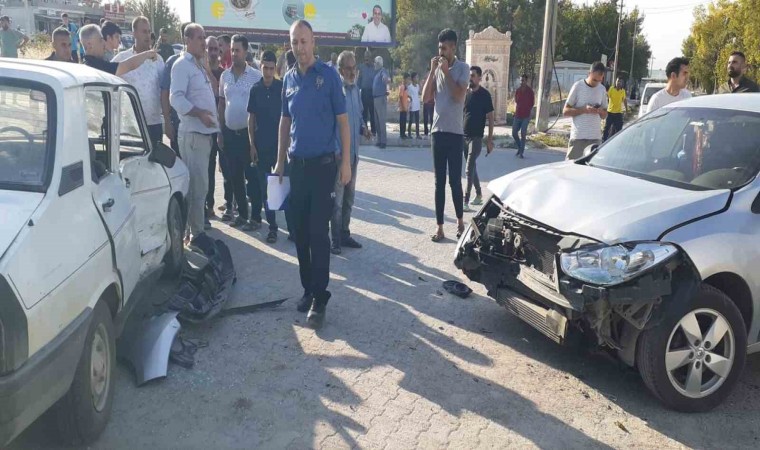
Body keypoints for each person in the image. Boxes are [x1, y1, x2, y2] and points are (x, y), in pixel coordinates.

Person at [274, 20, 351, 328]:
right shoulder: (288, 78)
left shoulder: (329, 76)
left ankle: (320, 297)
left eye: (304, 41)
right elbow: (284, 121)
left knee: (319, 233)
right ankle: (308, 289)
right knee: (300, 233)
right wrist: (279, 162)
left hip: (323, 167)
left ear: (313, 42)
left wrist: (346, 163)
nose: (300, 47)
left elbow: (343, 122)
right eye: (295, 42)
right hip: (297, 167)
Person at [170, 23, 219, 241]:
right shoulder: (182, 65)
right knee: (197, 188)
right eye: (200, 38)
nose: (203, 43)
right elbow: (176, 98)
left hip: (204, 136)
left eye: (204, 37)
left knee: (201, 187)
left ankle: (194, 232)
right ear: (187, 40)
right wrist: (199, 113)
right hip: (192, 136)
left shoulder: (198, 66)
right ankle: (196, 235)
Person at [422, 28, 469, 243]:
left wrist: (447, 72)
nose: (440, 52)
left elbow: (459, 96)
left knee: (455, 182)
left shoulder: (463, 68)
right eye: (439, 48)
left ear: (453, 48)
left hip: (455, 133)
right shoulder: (437, 69)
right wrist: (433, 71)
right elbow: (425, 98)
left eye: (444, 48)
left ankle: (460, 222)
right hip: (438, 133)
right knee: (438, 182)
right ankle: (440, 227)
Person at [218, 34, 262, 231]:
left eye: (238, 50)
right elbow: (221, 104)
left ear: (245, 52)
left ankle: (256, 218)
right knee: (235, 177)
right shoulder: (225, 76)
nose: (234, 53)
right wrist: (220, 131)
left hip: (248, 136)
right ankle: (242, 215)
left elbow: (260, 108)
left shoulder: (255, 76)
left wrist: (256, 139)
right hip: (229, 134)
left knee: (252, 178)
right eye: (232, 50)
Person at [248, 50, 293, 243]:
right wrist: (251, 144)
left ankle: (292, 228)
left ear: (275, 69)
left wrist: (288, 142)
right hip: (261, 147)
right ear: (260, 67)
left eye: (271, 68)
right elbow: (251, 119)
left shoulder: (281, 88)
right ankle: (272, 228)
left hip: (280, 148)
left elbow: (289, 117)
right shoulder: (255, 89)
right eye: (265, 68)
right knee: (267, 191)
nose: (267, 72)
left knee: (286, 187)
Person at [331, 50, 371, 255]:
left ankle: (345, 234)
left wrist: (364, 128)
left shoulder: (356, 89)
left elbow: (359, 115)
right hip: (340, 157)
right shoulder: (335, 91)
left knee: (349, 198)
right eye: (348, 68)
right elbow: (330, 124)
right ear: (340, 69)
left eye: (354, 68)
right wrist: (337, 151)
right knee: (337, 202)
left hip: (354, 155)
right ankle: (335, 239)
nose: (352, 72)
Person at [112, 17, 165, 147]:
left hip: (153, 123)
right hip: (131, 125)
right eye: (144, 31)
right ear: (134, 33)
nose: (147, 35)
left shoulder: (158, 60)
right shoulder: (122, 58)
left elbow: (164, 90)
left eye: (149, 31)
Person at [204, 36, 231, 223]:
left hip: (222, 128)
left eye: (216, 49)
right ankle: (209, 205)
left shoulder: (224, 74)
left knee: (227, 168)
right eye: (210, 49)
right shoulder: (199, 73)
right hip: (205, 128)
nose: (213, 53)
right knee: (208, 169)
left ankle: (230, 203)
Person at [462, 65, 494, 212]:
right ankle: (479, 194)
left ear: (479, 78)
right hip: (464, 136)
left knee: (468, 168)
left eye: (473, 75)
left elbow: (491, 118)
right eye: (469, 75)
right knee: (472, 167)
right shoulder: (466, 93)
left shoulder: (485, 95)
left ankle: (465, 201)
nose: (470, 78)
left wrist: (489, 140)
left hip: (476, 138)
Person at [563, 61, 608, 160]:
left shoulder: (602, 89)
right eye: (594, 80)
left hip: (595, 138)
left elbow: (605, 115)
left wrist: (600, 111)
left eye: (600, 80)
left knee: (592, 168)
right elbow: (565, 111)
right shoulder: (578, 86)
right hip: (578, 138)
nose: (596, 83)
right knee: (571, 167)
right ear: (589, 74)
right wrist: (584, 110)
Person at [80, 24, 157, 76]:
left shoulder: (85, 65)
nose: (104, 43)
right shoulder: (95, 66)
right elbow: (128, 65)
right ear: (89, 45)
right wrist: (147, 54)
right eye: (100, 40)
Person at [161, 22, 190, 155]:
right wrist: (167, 122)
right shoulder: (173, 62)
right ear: (185, 38)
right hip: (178, 125)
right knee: (179, 162)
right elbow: (165, 93)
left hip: (199, 128)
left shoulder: (202, 62)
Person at [512, 74, 534, 158]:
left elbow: (532, 103)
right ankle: (519, 147)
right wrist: (514, 111)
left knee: (523, 133)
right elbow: (516, 102)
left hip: (526, 116)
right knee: (514, 133)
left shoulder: (530, 91)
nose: (521, 82)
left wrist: (530, 113)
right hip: (517, 115)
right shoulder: (518, 91)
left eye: (523, 80)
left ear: (526, 81)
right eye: (521, 80)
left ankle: (521, 152)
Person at [372, 56, 390, 148]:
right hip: (375, 99)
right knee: (377, 122)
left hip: (381, 98)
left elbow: (385, 78)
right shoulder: (377, 73)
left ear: (379, 63)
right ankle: (379, 140)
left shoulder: (383, 71)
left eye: (375, 62)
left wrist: (386, 79)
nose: (374, 64)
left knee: (381, 121)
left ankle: (383, 141)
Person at [358, 51, 377, 136]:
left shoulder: (374, 67)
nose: (367, 58)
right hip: (364, 92)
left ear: (371, 57)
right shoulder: (361, 67)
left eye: (368, 56)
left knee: (372, 113)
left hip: (372, 93)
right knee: (364, 113)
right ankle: (365, 131)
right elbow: (359, 80)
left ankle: (373, 131)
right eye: (365, 56)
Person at [603, 77, 627, 142]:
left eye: (620, 81)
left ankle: (617, 142)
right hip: (610, 112)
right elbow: (607, 97)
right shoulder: (611, 89)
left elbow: (624, 100)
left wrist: (626, 110)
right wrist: (604, 107)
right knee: (607, 128)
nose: (619, 83)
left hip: (618, 113)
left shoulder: (623, 91)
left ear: (622, 83)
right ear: (615, 82)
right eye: (618, 81)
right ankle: (603, 141)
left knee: (619, 129)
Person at [407, 72, 421, 139]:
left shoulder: (418, 86)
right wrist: (410, 104)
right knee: (411, 120)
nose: (417, 78)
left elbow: (419, 93)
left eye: (418, 77)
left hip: (417, 105)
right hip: (412, 106)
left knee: (417, 121)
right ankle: (409, 134)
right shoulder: (410, 87)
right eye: (416, 77)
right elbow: (408, 96)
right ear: (413, 78)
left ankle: (417, 134)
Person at [398, 73, 411, 139]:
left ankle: (403, 133)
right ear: (405, 79)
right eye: (408, 79)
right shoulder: (402, 87)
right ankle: (401, 134)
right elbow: (400, 96)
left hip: (405, 107)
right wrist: (403, 106)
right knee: (402, 121)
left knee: (404, 121)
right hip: (402, 107)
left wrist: (409, 96)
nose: (409, 80)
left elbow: (405, 95)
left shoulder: (406, 87)